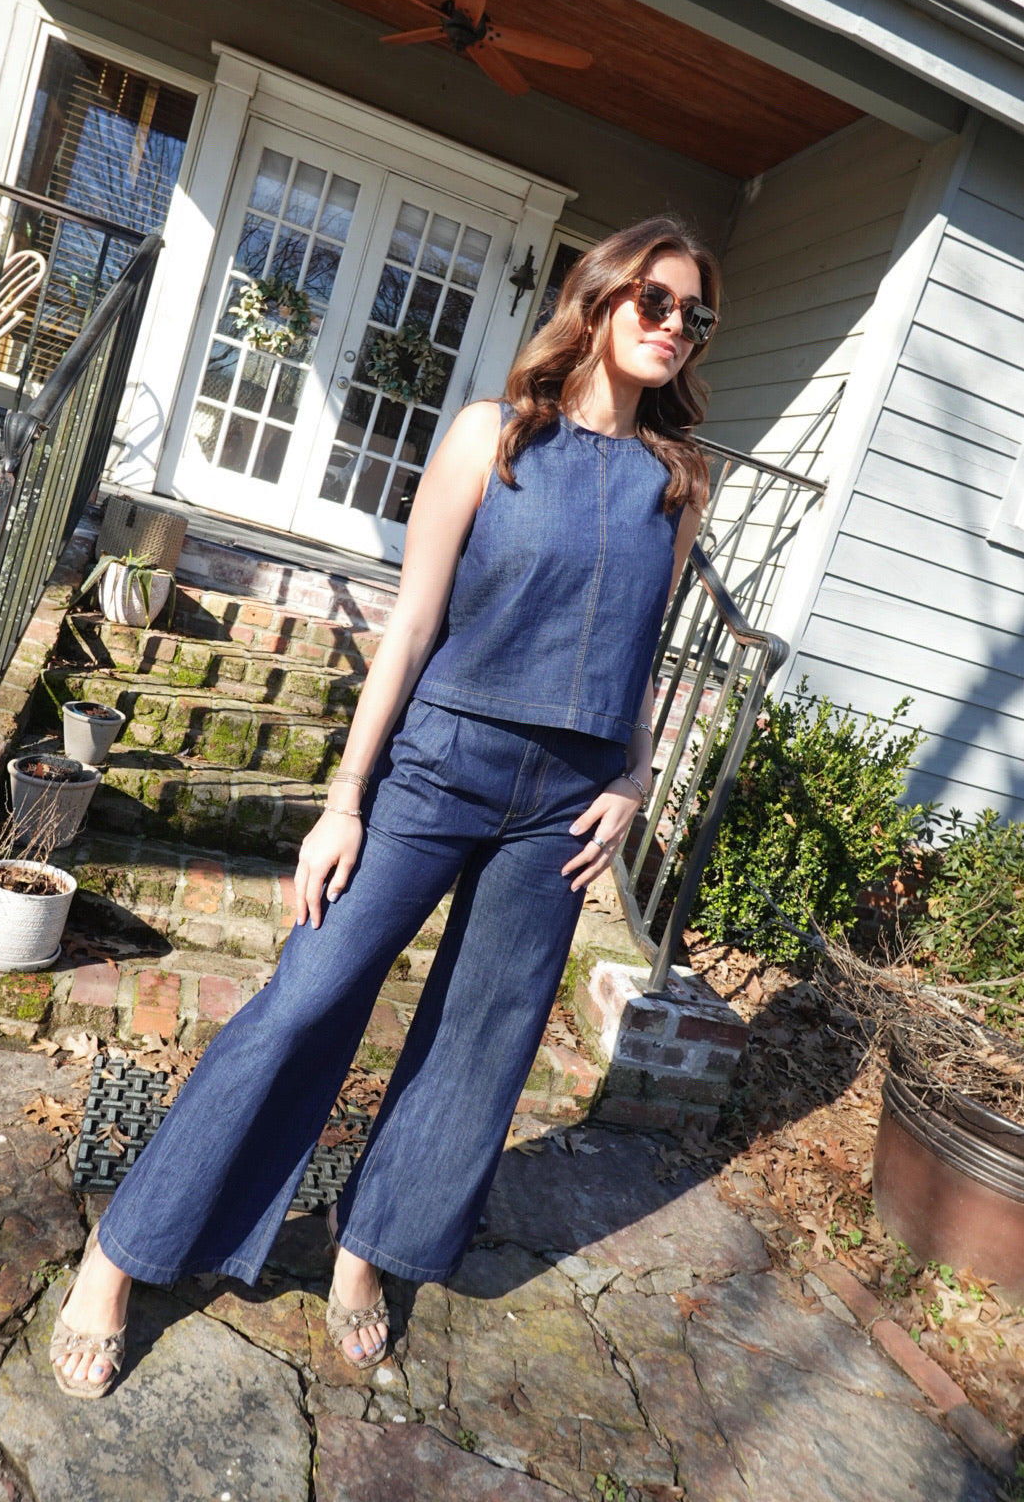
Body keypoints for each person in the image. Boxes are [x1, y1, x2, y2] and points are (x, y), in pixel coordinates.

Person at [49, 213, 720, 1396]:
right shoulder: (495, 434)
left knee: (482, 1040)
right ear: (600, 297)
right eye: (655, 300)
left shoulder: (676, 482)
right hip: (441, 765)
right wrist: (346, 797)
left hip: (564, 808)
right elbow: (410, 622)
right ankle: (126, 1248)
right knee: (305, 996)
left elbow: (645, 651)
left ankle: (369, 1247)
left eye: (695, 315)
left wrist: (633, 777)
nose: (675, 326)